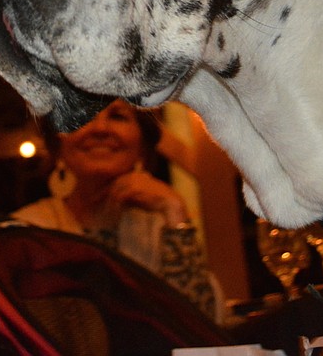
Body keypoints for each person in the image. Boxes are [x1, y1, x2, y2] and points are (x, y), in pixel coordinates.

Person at [15, 99, 219, 319]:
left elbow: (201, 326)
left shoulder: (161, 230)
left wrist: (175, 212)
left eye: (117, 116)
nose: (101, 128)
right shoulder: (27, 231)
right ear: (58, 144)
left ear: (142, 144)